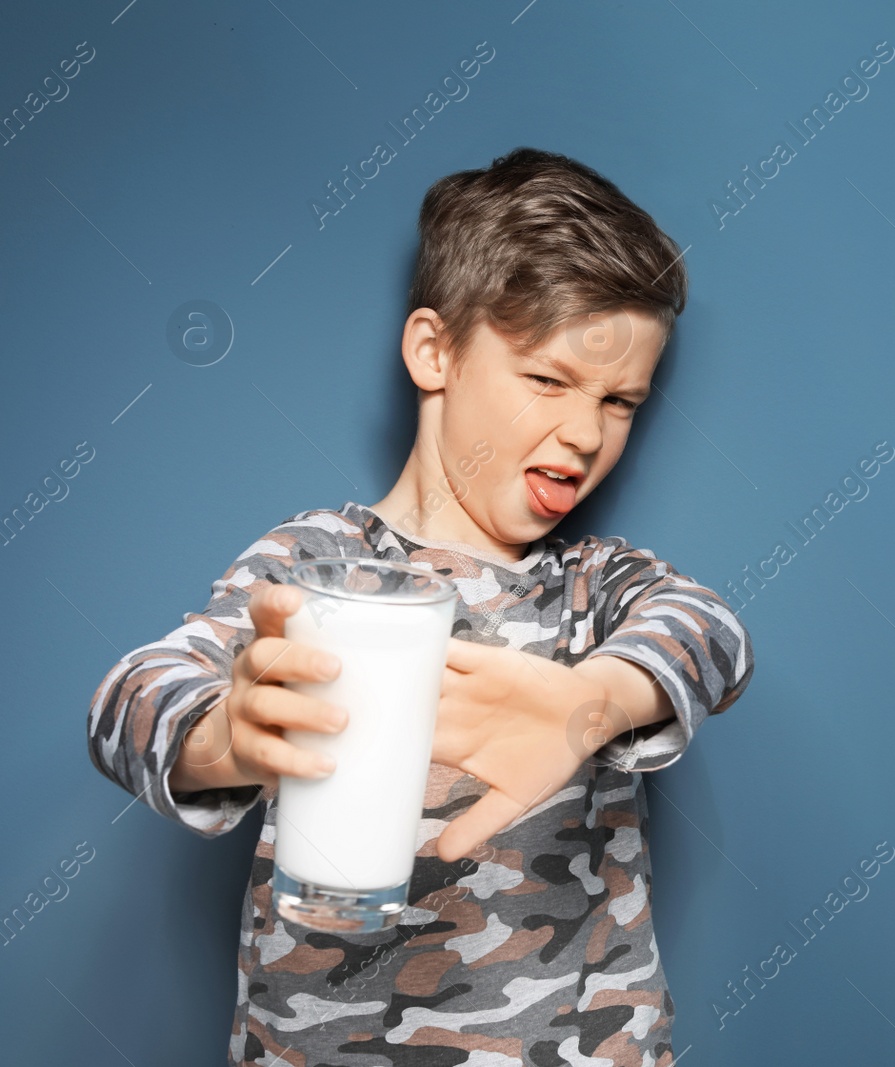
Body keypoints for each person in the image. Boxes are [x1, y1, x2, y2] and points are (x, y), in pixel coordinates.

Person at [84, 146, 755, 1065]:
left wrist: (588, 701)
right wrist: (228, 736)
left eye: (620, 400)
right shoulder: (318, 566)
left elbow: (710, 633)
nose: (585, 431)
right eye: (548, 380)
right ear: (434, 351)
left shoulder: (594, 586)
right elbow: (130, 698)